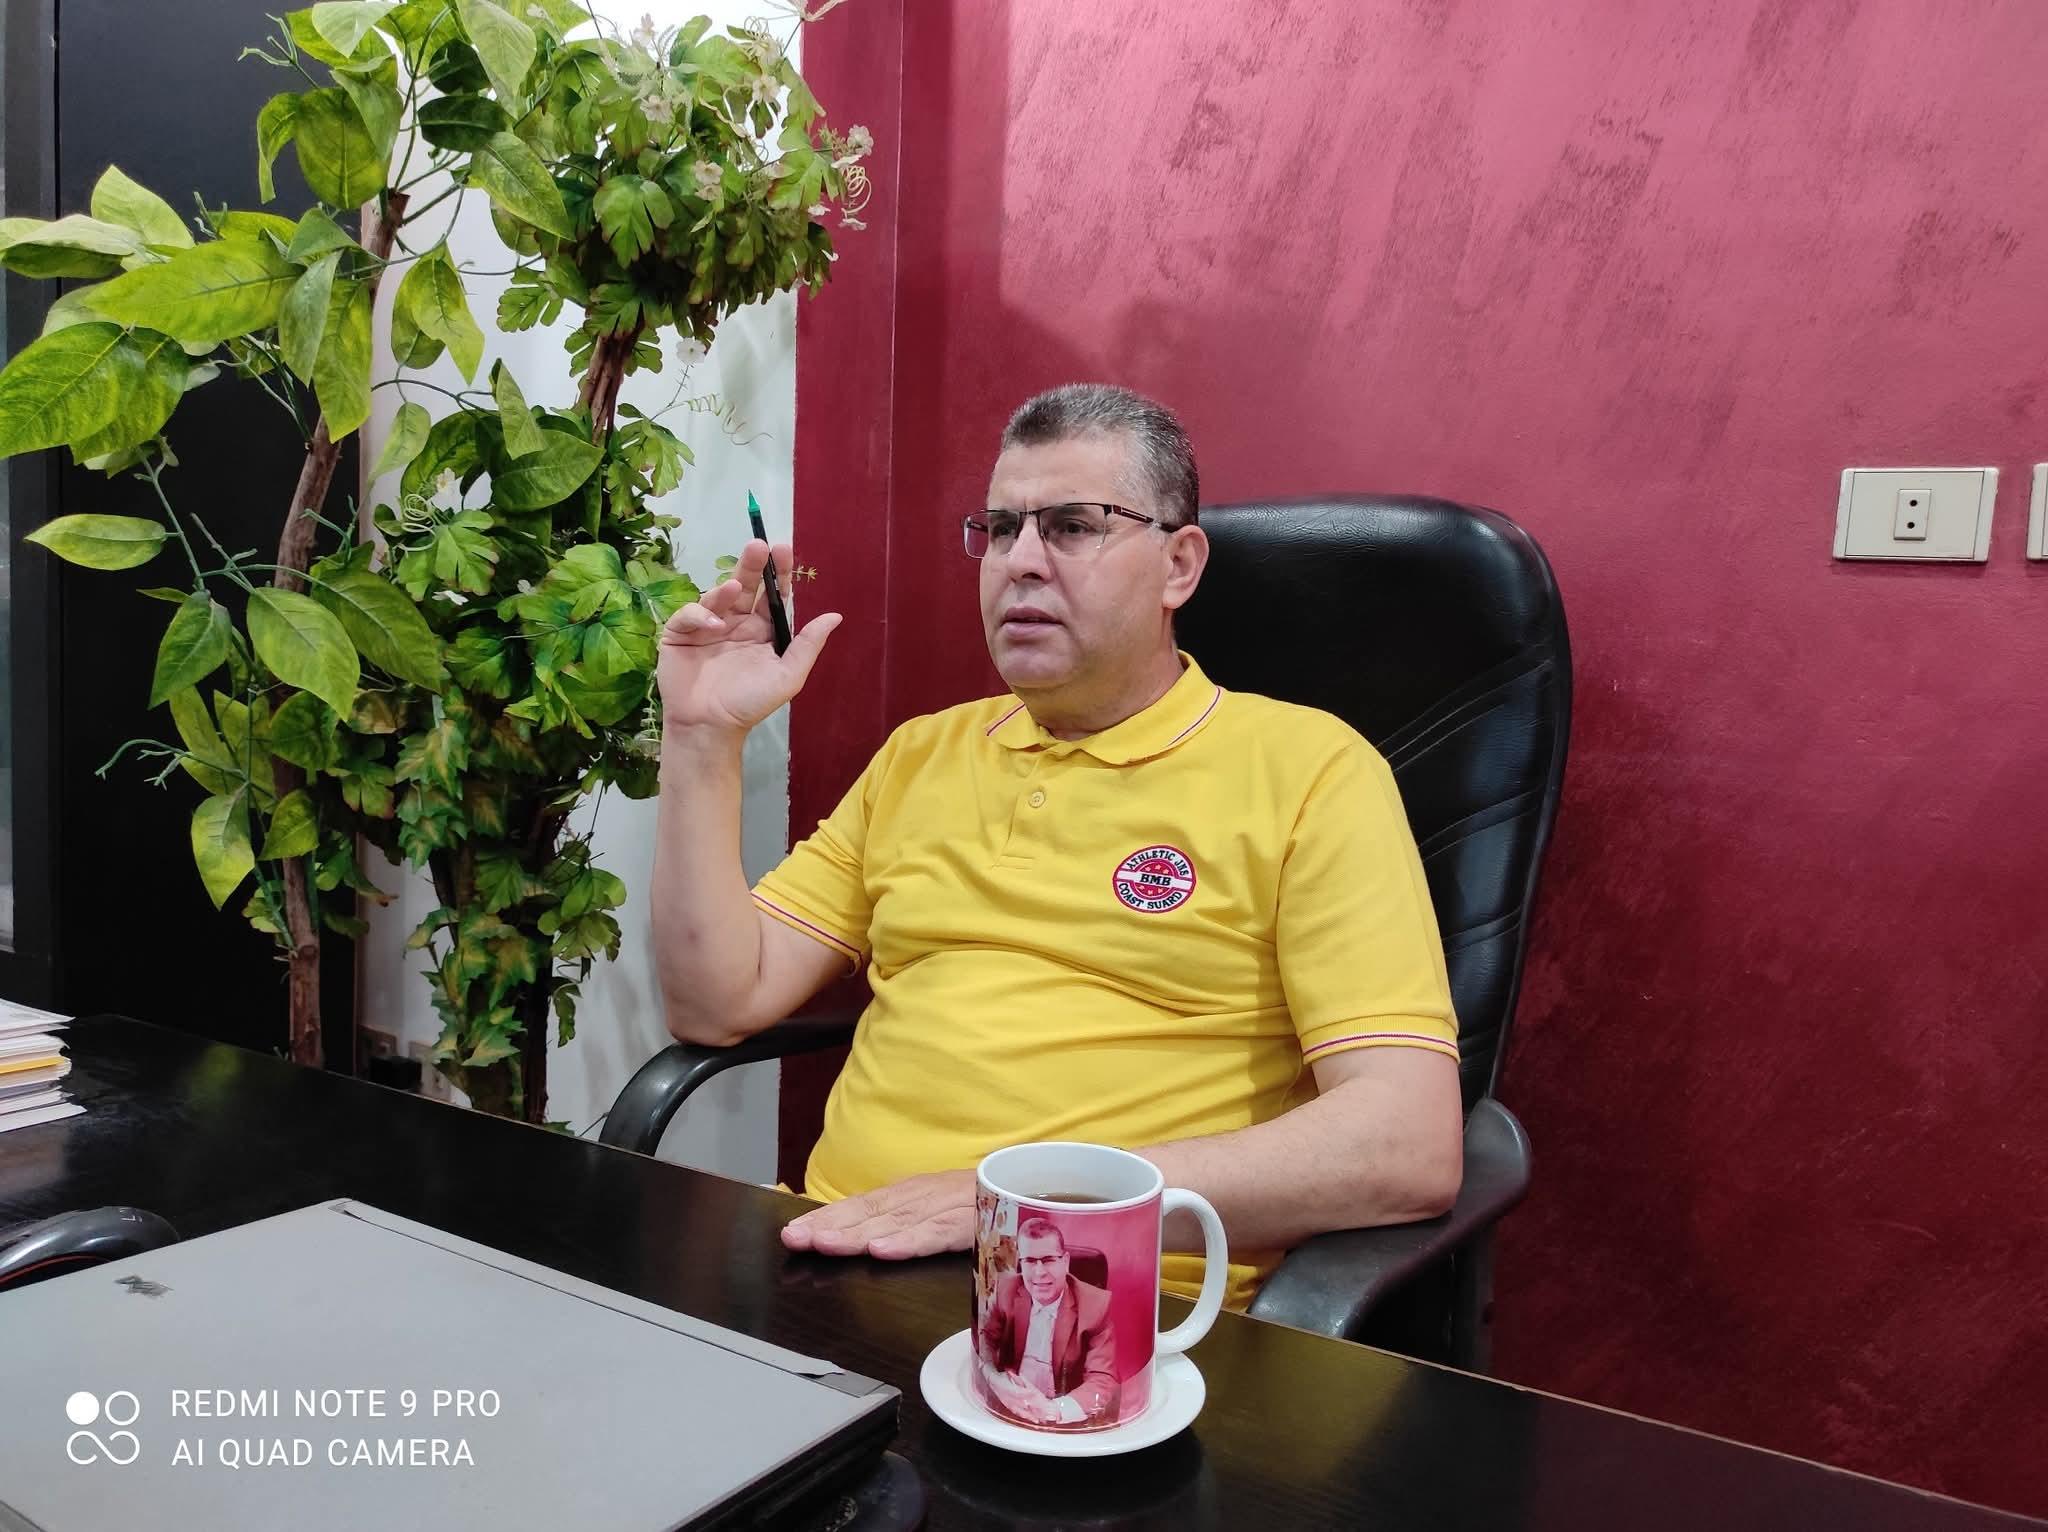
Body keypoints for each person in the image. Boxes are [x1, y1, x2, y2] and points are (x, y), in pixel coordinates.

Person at [651, 383, 1464, 1308]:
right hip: (836, 1260)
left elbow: (1407, 1144)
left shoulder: (1311, 771)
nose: (1021, 563)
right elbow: (717, 1002)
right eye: (1001, 529)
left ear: (1179, 565)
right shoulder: (922, 755)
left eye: (1074, 526)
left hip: (1106, 1306)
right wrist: (702, 738)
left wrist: (1024, 1202)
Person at [975, 1218, 1118, 1427]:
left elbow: (1103, 1378)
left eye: (1049, 1259)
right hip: (1008, 1407)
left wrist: (1053, 1410)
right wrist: (994, 1379)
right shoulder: (1005, 1289)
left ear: (1065, 1262)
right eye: (1030, 1261)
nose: (1039, 1272)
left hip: (1061, 1417)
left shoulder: (1095, 1306)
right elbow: (985, 1337)